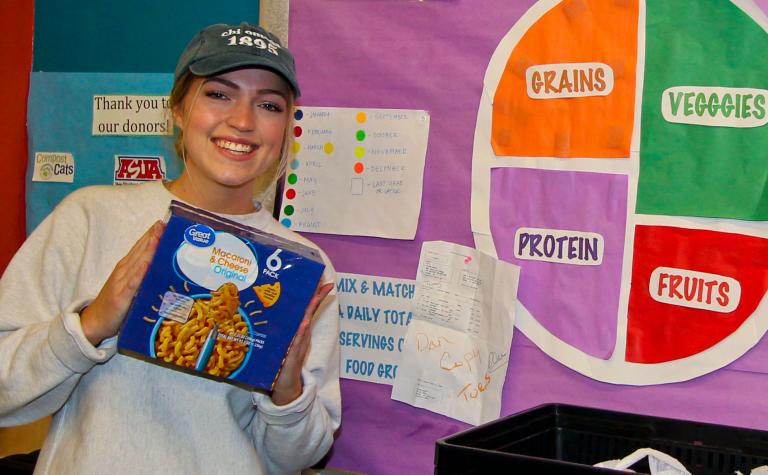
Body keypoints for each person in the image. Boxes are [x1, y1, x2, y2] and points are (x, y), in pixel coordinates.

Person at [0, 22, 340, 474]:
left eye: (268, 104)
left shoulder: (301, 269)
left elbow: (298, 457)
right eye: (219, 94)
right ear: (178, 109)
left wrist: (287, 392)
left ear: (286, 128)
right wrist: (91, 324)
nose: (242, 120)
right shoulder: (88, 218)